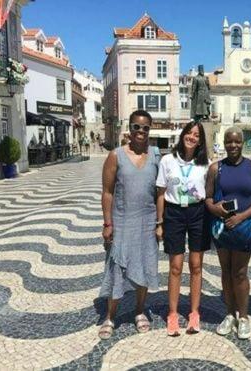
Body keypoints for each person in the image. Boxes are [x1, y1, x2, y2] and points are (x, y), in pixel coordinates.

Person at [97, 110, 161, 339]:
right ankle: (110, 315)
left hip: (147, 220)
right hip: (122, 220)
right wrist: (108, 223)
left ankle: (139, 310)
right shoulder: (116, 155)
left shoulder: (155, 154)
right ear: (129, 128)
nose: (141, 132)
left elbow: (160, 191)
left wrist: (159, 222)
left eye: (145, 128)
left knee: (144, 265)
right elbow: (107, 192)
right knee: (117, 268)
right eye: (137, 127)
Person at [206, 126, 251, 340]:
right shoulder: (216, 169)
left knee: (240, 272)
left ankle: (244, 317)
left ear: (243, 143)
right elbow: (208, 198)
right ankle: (229, 314)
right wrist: (215, 209)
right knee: (225, 271)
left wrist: (240, 217)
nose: (233, 146)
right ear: (224, 142)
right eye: (229, 142)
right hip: (222, 229)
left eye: (237, 142)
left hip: (244, 227)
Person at [155, 121, 211, 336]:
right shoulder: (167, 160)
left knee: (196, 265)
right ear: (183, 135)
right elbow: (160, 193)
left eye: (196, 134)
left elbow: (211, 191)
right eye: (189, 133)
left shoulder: (205, 163)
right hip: (174, 213)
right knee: (175, 266)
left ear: (200, 140)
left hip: (198, 214)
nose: (192, 137)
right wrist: (159, 223)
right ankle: (172, 313)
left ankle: (194, 312)